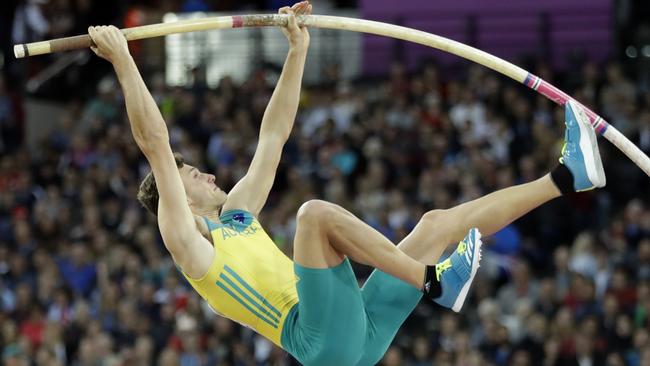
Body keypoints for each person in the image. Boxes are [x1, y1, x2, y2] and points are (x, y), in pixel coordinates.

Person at [87, 2, 606, 364]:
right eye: (192, 175)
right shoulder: (190, 243)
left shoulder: (237, 216)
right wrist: (124, 60)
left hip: (355, 332)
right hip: (320, 342)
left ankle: (565, 177)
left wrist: (298, 52)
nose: (207, 173)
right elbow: (155, 142)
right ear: (179, 198)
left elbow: (274, 134)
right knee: (312, 214)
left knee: (436, 224)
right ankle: (434, 281)